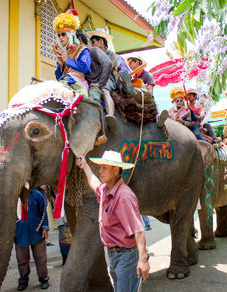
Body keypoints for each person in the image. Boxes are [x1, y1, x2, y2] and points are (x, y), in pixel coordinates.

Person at [76, 151, 149, 291]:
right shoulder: (105, 190)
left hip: (126, 255)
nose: (100, 170)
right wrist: (85, 166)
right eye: (100, 167)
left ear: (116, 170)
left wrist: (143, 259)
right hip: (115, 254)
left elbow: (138, 230)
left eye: (104, 167)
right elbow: (94, 183)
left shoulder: (124, 196)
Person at [88, 28, 133, 131]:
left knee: (104, 90)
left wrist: (99, 83)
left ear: (101, 41)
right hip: (97, 79)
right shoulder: (93, 55)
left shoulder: (110, 55)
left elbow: (107, 67)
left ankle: (110, 115)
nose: (92, 45)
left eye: (93, 42)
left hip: (109, 78)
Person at [14, 188, 50, 290]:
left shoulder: (37, 195)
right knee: (22, 260)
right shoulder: (13, 197)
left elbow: (43, 212)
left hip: (37, 232)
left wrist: (45, 227)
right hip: (20, 233)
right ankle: (23, 280)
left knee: (41, 258)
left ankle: (44, 279)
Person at [53, 9, 91, 97]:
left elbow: (85, 68)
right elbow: (58, 77)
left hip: (78, 83)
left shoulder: (83, 49)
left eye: (63, 34)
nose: (60, 37)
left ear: (71, 34)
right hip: (64, 81)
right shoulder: (63, 53)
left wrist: (67, 60)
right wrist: (61, 65)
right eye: (59, 35)